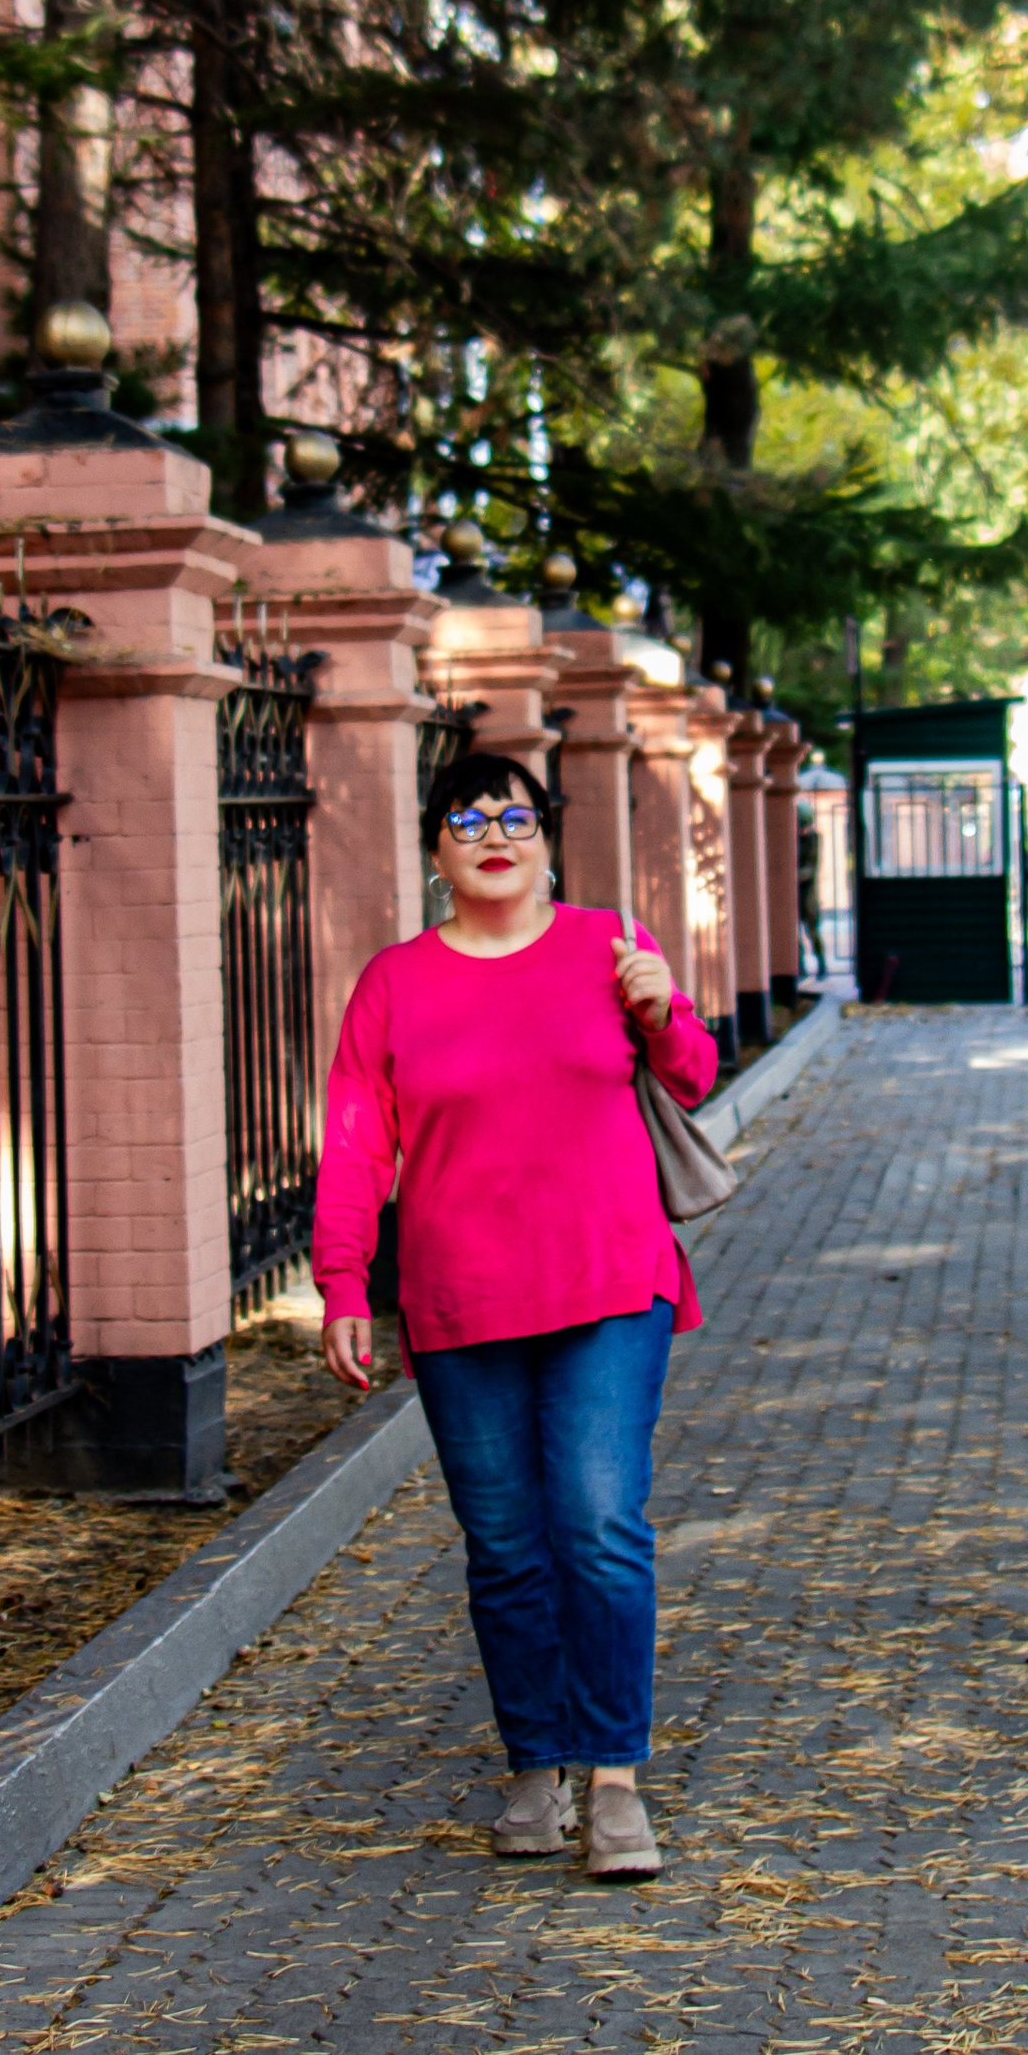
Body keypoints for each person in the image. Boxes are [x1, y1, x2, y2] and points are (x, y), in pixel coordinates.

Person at [313, 746, 719, 1882]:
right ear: (437, 849)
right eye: (466, 818)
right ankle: (534, 1760)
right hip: (458, 1295)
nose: (493, 835)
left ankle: (615, 1779)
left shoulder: (607, 947)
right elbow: (358, 1142)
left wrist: (659, 1014)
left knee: (595, 1521)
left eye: (516, 817)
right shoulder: (395, 982)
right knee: (502, 1547)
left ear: (546, 838)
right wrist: (344, 1281)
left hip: (606, 1279)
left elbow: (693, 1076)